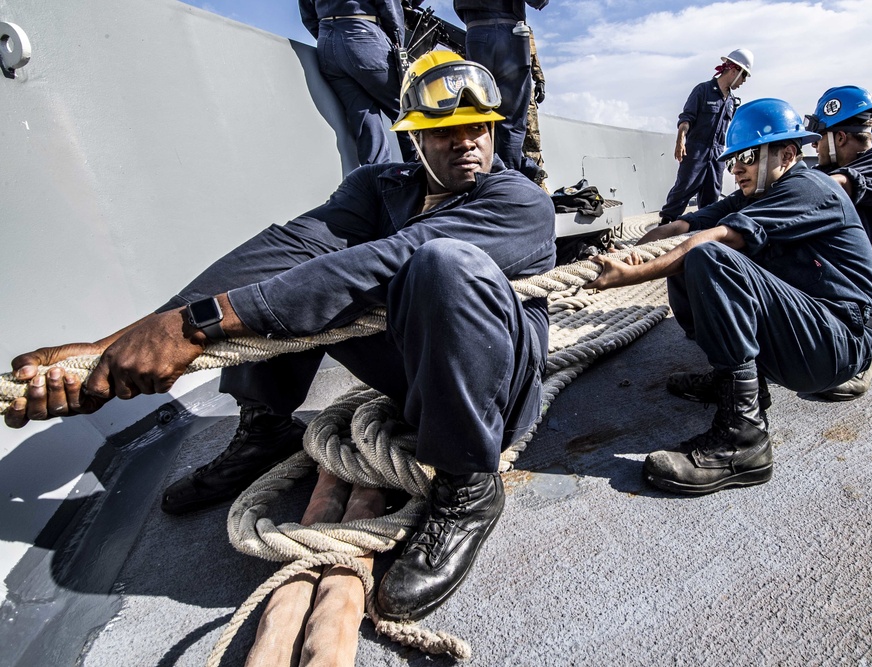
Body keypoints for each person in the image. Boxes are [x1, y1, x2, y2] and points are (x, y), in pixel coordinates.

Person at [6, 50, 556, 623]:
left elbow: (389, 260)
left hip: (494, 388)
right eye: (446, 131)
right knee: (286, 275)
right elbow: (290, 249)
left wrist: (199, 325)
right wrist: (117, 345)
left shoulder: (519, 200)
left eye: (479, 127)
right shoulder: (378, 187)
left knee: (439, 264)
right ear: (415, 139)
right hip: (410, 370)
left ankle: (468, 489)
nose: (468, 142)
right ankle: (265, 428)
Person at [586, 99, 872, 495]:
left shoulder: (809, 188)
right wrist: (644, 245)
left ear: (788, 154)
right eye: (731, 161)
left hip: (837, 342)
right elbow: (691, 222)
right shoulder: (754, 193)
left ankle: (743, 441)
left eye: (746, 156)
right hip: (807, 332)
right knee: (688, 255)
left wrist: (634, 274)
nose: (736, 168)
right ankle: (741, 385)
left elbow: (719, 238)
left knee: (708, 257)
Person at [803, 85, 872, 401]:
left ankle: (861, 354)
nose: (814, 145)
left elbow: (837, 187)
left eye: (819, 137)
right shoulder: (823, 169)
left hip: (862, 278)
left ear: (839, 138)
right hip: (820, 268)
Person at [299, 0, 417, 165]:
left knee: (366, 124)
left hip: (327, 45)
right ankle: (422, 179)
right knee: (409, 112)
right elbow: (389, 5)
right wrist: (396, 40)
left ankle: (381, 183)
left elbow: (307, 15)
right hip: (364, 36)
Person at [657, 48, 753, 223]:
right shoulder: (703, 90)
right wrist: (680, 139)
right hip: (696, 150)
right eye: (744, 76)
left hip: (717, 155)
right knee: (684, 188)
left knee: (712, 194)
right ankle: (665, 223)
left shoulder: (732, 101)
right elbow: (687, 118)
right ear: (734, 71)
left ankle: (703, 228)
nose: (744, 82)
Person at [453, 0, 548, 173]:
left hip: (475, 35)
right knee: (510, 124)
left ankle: (485, 181)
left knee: (480, 117)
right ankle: (509, 187)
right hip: (508, 34)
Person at [521, 26, 547, 187]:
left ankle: (538, 185)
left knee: (532, 139)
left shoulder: (524, 29)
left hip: (525, 90)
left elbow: (533, 56)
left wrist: (540, 80)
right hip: (500, 90)